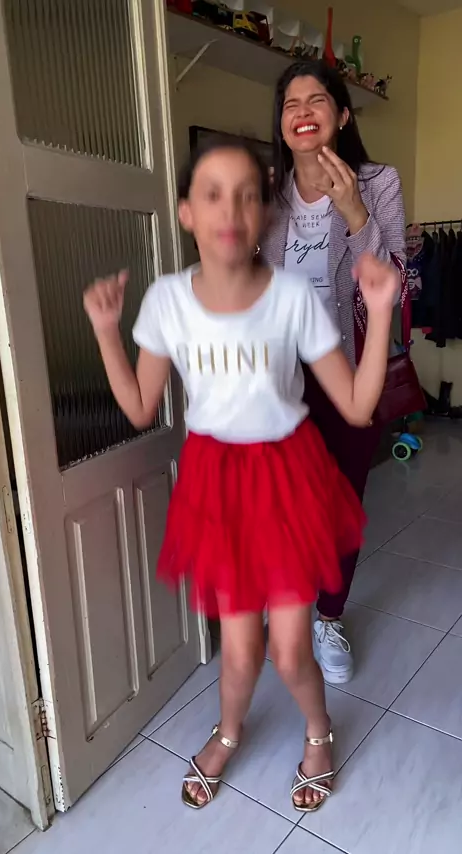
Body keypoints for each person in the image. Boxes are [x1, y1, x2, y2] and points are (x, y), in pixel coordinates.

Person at [83, 138, 398, 813]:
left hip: (286, 479)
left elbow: (356, 405)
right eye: (213, 194)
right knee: (239, 650)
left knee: (289, 649)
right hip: (216, 484)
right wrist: (108, 332)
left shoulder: (291, 296)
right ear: (187, 213)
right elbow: (140, 407)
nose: (231, 209)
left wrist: (380, 315)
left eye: (248, 195)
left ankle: (319, 730)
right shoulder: (167, 300)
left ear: (265, 214)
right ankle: (228, 731)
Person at [262, 59, 407, 685]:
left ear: (342, 115)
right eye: (290, 103)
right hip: (279, 378)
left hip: (348, 371)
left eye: (316, 99)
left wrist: (355, 213)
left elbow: (395, 281)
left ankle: (329, 616)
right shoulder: (268, 193)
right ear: (282, 122)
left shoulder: (377, 183)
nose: (302, 111)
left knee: (341, 502)